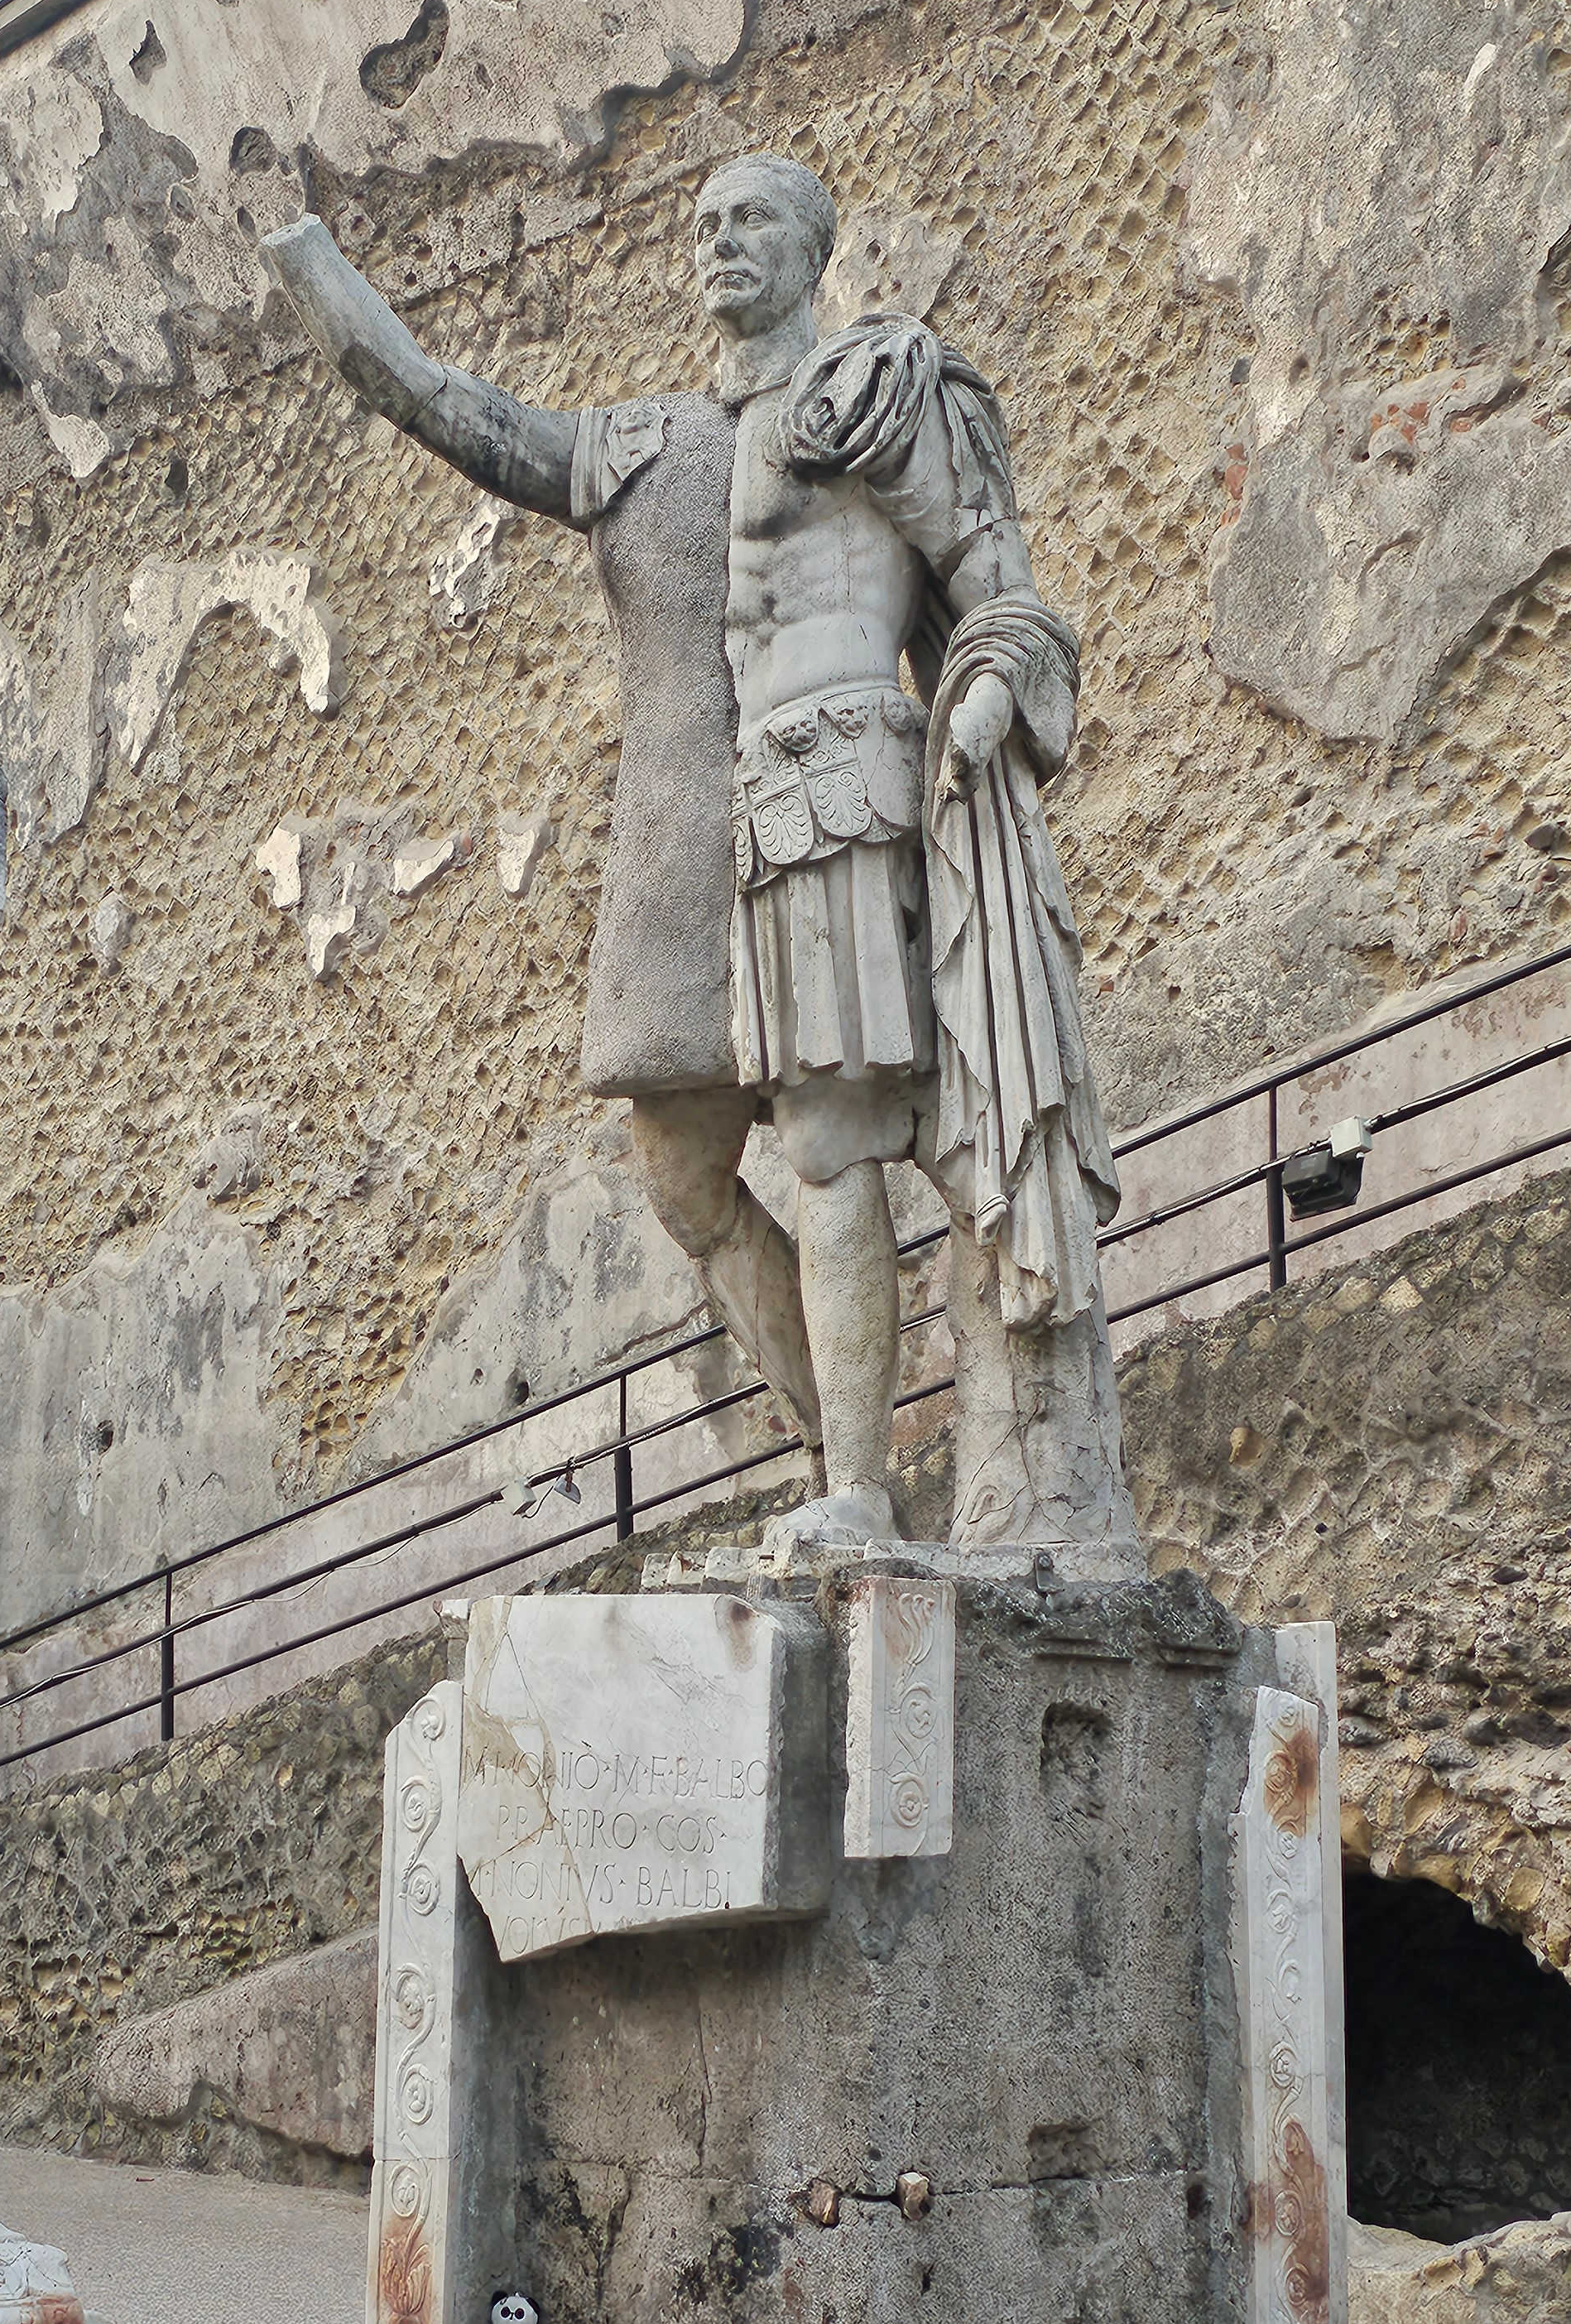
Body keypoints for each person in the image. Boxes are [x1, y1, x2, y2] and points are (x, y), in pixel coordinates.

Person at [262, 155, 1136, 1562]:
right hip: (706, 843)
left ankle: (927, 1474)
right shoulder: (643, 445)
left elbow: (1004, 596)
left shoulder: (880, 389)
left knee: (854, 1148)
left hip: (848, 799)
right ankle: (846, 1461)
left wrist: (984, 696)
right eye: (704, 225)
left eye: (753, 220)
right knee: (698, 1176)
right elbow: (444, 404)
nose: (722, 243)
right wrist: (309, 266)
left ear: (816, 247)